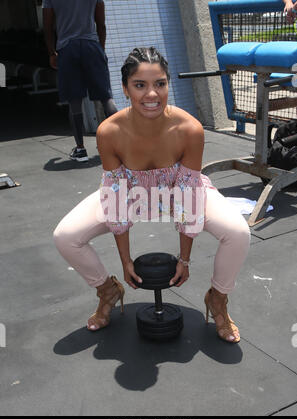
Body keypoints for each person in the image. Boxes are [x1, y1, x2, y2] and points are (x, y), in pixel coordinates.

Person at [53, 47, 251, 344]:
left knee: (238, 233)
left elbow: (188, 196)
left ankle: (218, 299)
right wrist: (126, 261)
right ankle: (108, 290)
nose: (152, 94)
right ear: (125, 88)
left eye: (160, 84)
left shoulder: (189, 129)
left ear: (168, 84)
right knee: (65, 235)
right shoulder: (109, 131)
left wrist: (184, 260)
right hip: (129, 195)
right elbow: (117, 197)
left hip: (177, 193)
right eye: (140, 85)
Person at [42, 0, 118, 162]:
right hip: (91, 46)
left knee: (75, 101)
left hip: (67, 49)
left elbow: (47, 27)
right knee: (106, 97)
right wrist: (100, 50)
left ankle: (81, 149)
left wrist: (51, 53)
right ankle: (120, 145)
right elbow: (101, 25)